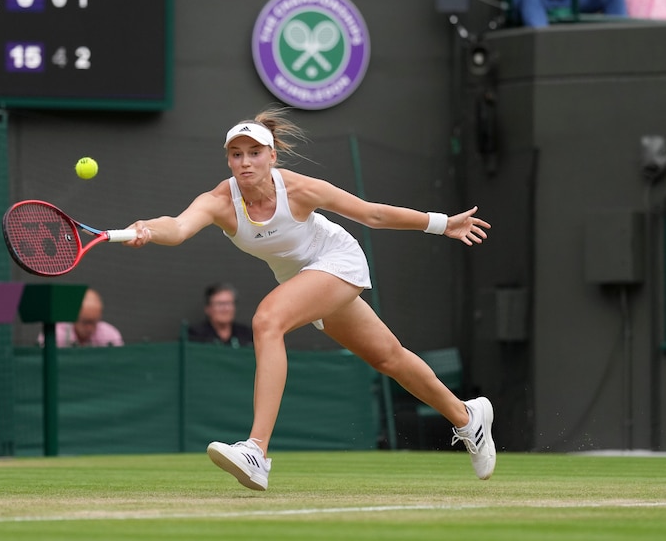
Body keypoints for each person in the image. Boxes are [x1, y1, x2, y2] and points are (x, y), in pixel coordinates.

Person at [123, 107, 496, 491]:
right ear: (228, 160)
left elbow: (372, 216)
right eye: (236, 154)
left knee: (267, 320)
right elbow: (179, 227)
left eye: (254, 152)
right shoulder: (220, 200)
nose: (245, 161)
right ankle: (467, 416)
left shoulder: (299, 189)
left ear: (272, 156)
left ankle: (256, 451)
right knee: (388, 357)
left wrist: (441, 223)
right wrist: (148, 228)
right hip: (303, 279)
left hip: (337, 260)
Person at [39, 288, 124, 348]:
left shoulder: (110, 335)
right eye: (85, 322)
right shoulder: (54, 335)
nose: (89, 328)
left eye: (94, 322)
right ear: (73, 316)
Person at [188, 282, 253, 347]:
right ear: (208, 308)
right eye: (219, 304)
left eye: (229, 303)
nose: (225, 309)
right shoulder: (195, 335)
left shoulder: (246, 334)